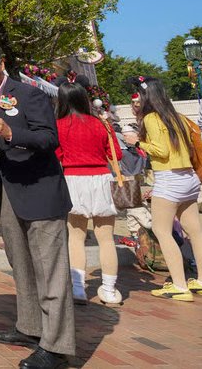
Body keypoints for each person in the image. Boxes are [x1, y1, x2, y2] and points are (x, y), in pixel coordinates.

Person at [0, 44, 73, 369]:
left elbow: (49, 139)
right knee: (22, 267)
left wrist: (11, 131)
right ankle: (30, 328)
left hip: (40, 191)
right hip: (7, 194)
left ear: (1, 64)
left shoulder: (29, 94)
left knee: (51, 270)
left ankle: (56, 348)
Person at [139, 79, 202, 300]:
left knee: (162, 231)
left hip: (169, 178)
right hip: (189, 177)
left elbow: (161, 151)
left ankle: (179, 285)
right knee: (195, 230)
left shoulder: (151, 118)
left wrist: (138, 143)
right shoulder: (178, 117)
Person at [53, 82, 124, 305]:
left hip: (73, 179)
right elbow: (117, 155)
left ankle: (78, 287)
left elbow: (56, 156)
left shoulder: (58, 125)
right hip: (101, 178)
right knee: (106, 238)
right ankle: (109, 289)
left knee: (76, 236)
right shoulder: (101, 123)